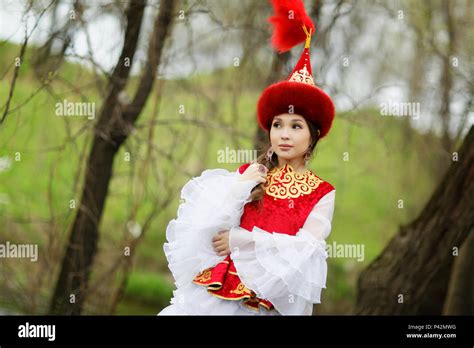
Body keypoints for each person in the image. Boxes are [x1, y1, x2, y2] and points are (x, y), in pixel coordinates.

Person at [158, 0, 336, 316]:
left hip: (266, 303)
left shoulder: (322, 193)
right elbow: (207, 227)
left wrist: (242, 240)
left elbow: (304, 249)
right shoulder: (251, 173)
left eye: (296, 126)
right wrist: (240, 186)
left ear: (313, 136)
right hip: (216, 295)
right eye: (278, 125)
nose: (284, 134)